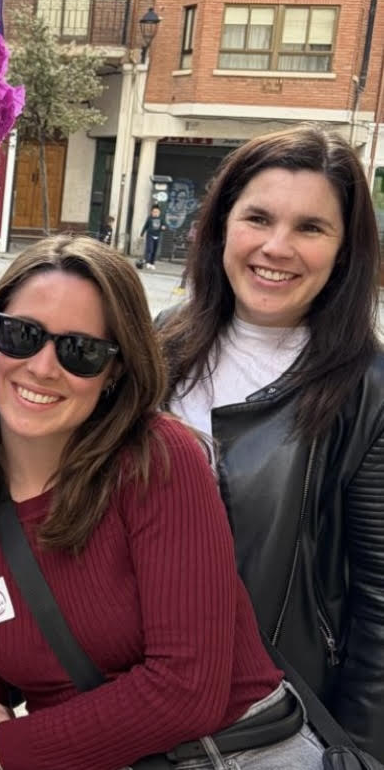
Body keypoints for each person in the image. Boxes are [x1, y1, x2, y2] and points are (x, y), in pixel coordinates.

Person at [0, 234, 324, 770]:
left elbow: (186, 689)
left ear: (114, 373)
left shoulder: (157, 460)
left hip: (230, 754)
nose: (41, 367)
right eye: (21, 335)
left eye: (80, 351)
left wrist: (3, 747)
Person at [159, 126, 384, 759]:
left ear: (345, 250)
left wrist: (359, 753)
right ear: (221, 226)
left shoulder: (368, 392)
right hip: (133, 704)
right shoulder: (155, 347)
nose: (277, 247)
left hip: (276, 723)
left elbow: (379, 604)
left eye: (311, 228)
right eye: (258, 217)